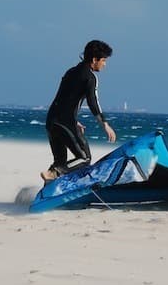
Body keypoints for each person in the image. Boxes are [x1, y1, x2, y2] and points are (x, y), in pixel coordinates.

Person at [41, 40, 117, 182]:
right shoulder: (90, 77)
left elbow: (63, 98)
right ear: (94, 60)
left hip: (51, 120)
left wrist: (75, 121)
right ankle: (54, 172)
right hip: (65, 122)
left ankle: (49, 187)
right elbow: (93, 102)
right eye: (103, 60)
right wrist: (105, 124)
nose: (105, 64)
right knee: (84, 158)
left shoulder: (71, 72)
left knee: (60, 161)